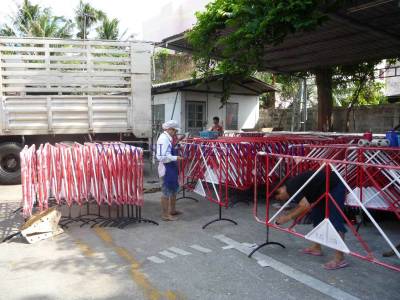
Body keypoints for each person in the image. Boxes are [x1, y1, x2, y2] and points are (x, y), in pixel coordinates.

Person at [274, 170, 349, 270]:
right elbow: (304, 205)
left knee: (335, 221)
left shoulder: (291, 187)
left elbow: (304, 206)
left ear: (281, 189)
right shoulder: (291, 186)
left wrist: (286, 218)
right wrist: (289, 215)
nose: (282, 199)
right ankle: (316, 247)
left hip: (334, 185)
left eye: (279, 197)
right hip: (320, 190)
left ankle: (340, 258)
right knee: (317, 217)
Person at [156, 120, 183, 221]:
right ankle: (165, 214)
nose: (175, 133)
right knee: (166, 192)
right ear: (170, 129)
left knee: (173, 190)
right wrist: (176, 158)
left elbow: (168, 150)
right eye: (175, 131)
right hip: (166, 169)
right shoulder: (163, 139)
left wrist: (176, 144)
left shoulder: (168, 138)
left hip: (172, 167)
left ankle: (172, 210)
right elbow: (161, 157)